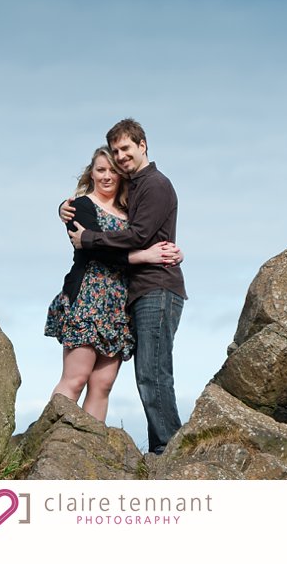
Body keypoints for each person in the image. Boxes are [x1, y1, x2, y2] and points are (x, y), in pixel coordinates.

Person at [63, 119, 187, 454]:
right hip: (137, 291)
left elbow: (139, 236)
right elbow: (97, 210)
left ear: (142, 145)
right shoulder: (135, 189)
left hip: (157, 288)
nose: (121, 157)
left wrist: (89, 238)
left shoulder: (155, 184)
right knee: (147, 374)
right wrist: (67, 207)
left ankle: (168, 450)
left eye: (125, 149)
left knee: (153, 374)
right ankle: (162, 446)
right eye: (115, 152)